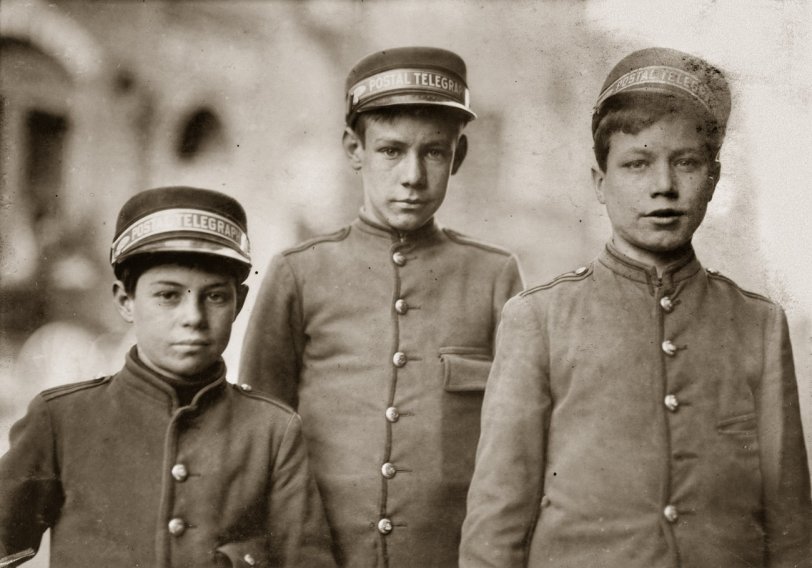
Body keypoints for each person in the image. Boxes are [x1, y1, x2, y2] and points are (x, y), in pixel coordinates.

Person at [460, 47, 811, 567]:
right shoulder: (540, 319)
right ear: (600, 183)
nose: (663, 186)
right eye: (637, 164)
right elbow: (496, 525)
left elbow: (791, 530)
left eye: (685, 163)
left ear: (713, 179)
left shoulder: (757, 324)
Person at [240, 47, 524, 567]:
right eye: (391, 151)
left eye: (434, 153)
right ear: (355, 149)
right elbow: (258, 435)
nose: (412, 175)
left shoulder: (493, 276)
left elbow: (512, 449)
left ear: (458, 156)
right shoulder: (299, 272)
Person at [0, 186, 335, 567]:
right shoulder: (62, 419)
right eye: (168, 296)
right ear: (125, 301)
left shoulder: (271, 431)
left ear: (239, 304)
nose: (193, 317)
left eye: (215, 296)